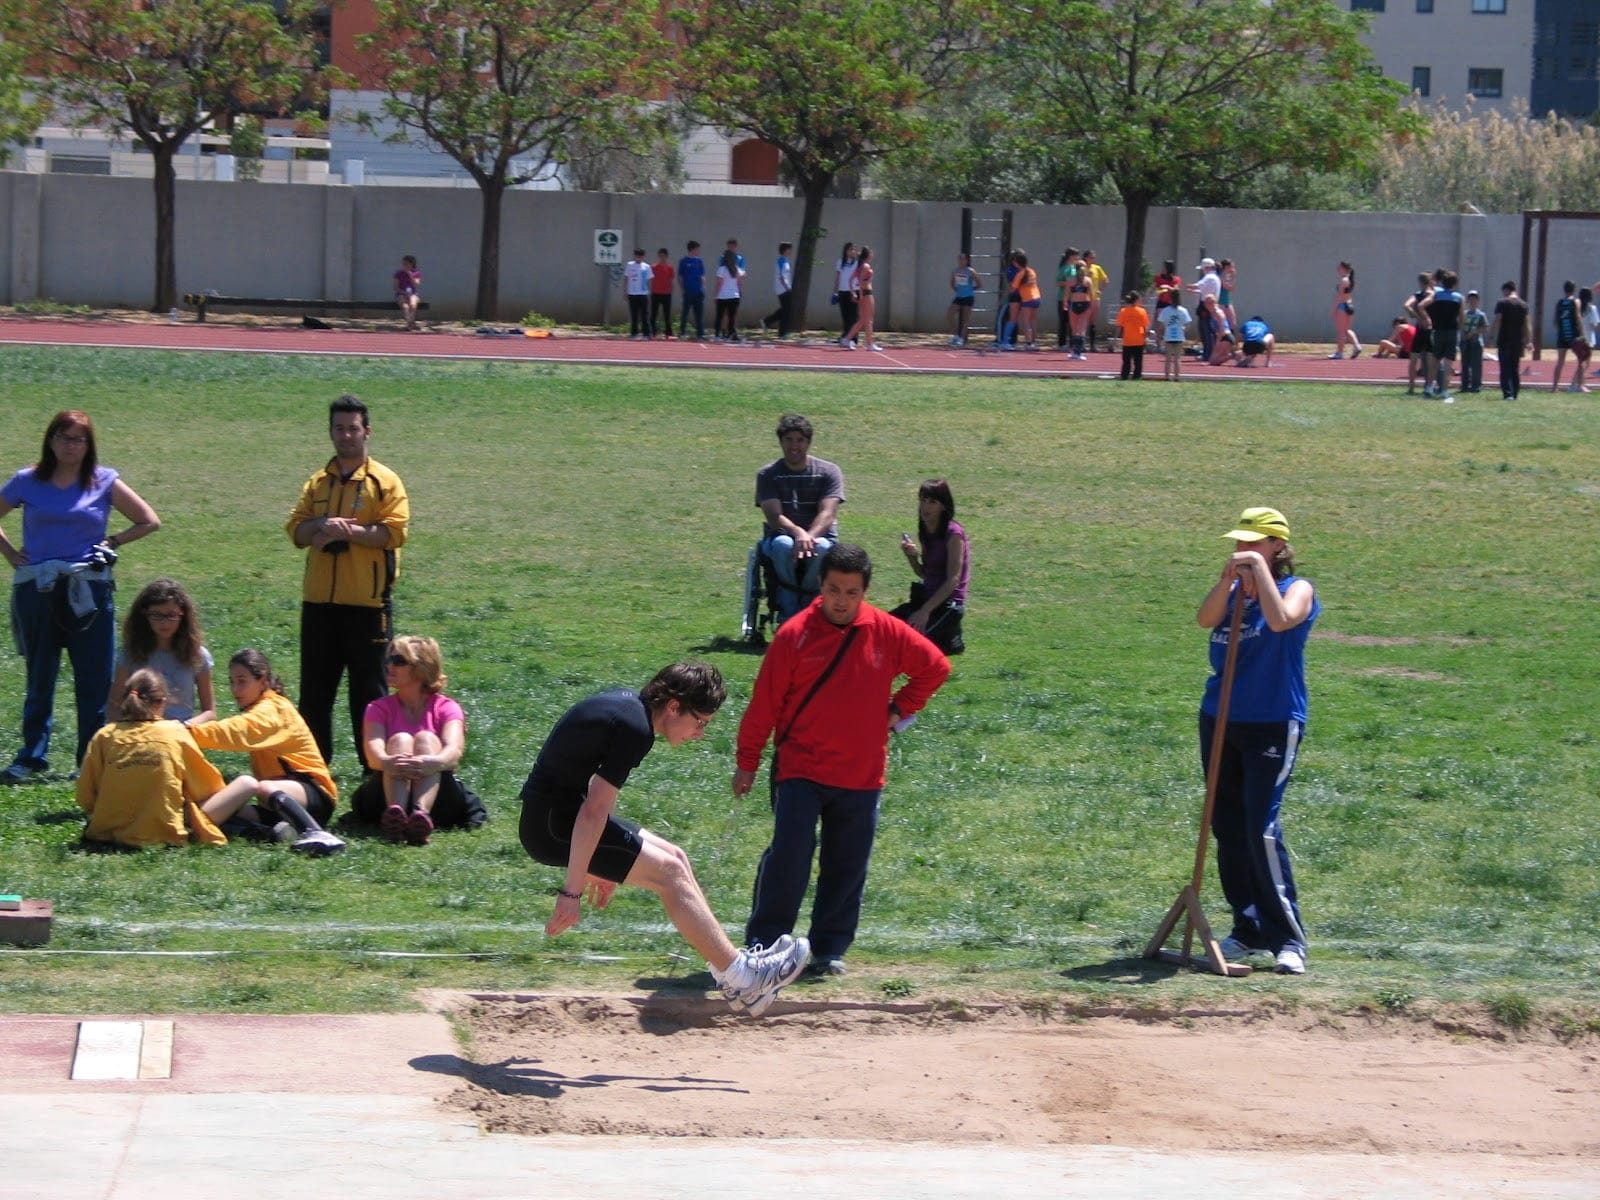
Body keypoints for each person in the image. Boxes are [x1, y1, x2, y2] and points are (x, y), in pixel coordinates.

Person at [520, 662, 811, 1017]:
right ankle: (744, 978)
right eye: (700, 721)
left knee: (676, 857)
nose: (700, 733)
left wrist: (601, 863)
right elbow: (593, 812)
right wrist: (572, 890)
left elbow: (584, 798)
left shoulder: (630, 709)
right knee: (669, 873)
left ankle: (733, 975)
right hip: (551, 827)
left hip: (557, 816)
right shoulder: (635, 728)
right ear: (674, 706)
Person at [738, 543, 950, 978]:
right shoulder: (794, 635)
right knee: (790, 857)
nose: (841, 600)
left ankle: (829, 950)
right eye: (834, 589)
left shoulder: (888, 631)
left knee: (847, 864)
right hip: (800, 767)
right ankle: (764, 945)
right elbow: (764, 705)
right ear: (820, 586)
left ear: (865, 591)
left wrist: (898, 709)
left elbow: (935, 667)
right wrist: (748, 761)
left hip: (861, 773)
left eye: (851, 592)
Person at [1, 410, 160, 783]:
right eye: (64, 437)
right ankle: (31, 757)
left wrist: (113, 541)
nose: (71, 446)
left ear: (89, 445)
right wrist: (10, 554)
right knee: (40, 674)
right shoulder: (28, 480)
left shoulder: (103, 480)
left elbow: (149, 519)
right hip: (37, 587)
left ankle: (91, 757)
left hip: (87, 589)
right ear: (51, 440)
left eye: (79, 439)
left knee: (95, 678)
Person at [1195, 506, 1319, 976]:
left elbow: (1283, 619)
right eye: (1240, 542)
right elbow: (1205, 620)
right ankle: (1246, 930)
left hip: (1272, 721)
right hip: (1221, 717)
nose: (1244, 550)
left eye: (1255, 543)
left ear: (1277, 547)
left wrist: (1262, 577)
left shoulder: (1297, 588)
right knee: (1226, 825)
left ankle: (1288, 938)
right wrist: (1227, 582)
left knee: (1259, 828)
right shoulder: (1231, 591)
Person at [286, 394, 410, 771]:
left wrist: (348, 532)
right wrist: (319, 527)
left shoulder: (385, 481)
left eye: (352, 428)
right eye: (339, 428)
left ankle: (375, 775)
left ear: (367, 431)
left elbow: (395, 532)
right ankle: (314, 775)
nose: (345, 435)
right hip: (319, 606)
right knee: (314, 697)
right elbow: (296, 529)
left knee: (369, 697)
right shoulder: (317, 483)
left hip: (367, 608)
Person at [188, 648, 346, 855]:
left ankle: (315, 832)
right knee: (224, 810)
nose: (235, 689)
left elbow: (237, 731)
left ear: (263, 681)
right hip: (277, 803)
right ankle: (273, 833)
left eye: (242, 681)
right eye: (232, 682)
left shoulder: (273, 709)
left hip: (315, 793)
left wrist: (187, 732)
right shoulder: (261, 707)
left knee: (263, 787)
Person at [76, 669, 236, 849]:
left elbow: (85, 796)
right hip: (164, 833)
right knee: (245, 783)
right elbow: (208, 787)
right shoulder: (175, 732)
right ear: (162, 702)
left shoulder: (104, 736)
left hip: (106, 833)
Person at [352, 635, 485, 845]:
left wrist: (432, 763)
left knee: (425, 739)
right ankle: (395, 815)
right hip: (384, 792)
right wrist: (388, 762)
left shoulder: (447, 708)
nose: (389, 666)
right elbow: (373, 754)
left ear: (421, 667)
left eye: (398, 661)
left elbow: (454, 752)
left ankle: (419, 816)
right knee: (401, 740)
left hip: (438, 793)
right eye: (388, 660)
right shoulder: (377, 708)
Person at [756, 413, 845, 621]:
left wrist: (809, 537)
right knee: (784, 545)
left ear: (808, 442)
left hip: (820, 537)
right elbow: (773, 515)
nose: (794, 446)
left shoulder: (829, 471)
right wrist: (798, 533)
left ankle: (806, 603)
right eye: (788, 440)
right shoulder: (768, 474)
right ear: (780, 442)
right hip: (781, 536)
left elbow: (828, 512)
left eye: (800, 440)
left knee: (822, 547)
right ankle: (789, 610)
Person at [109, 577, 215, 725]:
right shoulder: (130, 655)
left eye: (171, 616)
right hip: (141, 734)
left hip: (181, 736)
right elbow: (113, 708)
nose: (164, 623)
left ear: (182, 615)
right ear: (145, 615)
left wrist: (184, 727)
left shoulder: (198, 655)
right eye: (157, 616)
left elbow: (209, 712)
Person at [891, 480, 968, 655]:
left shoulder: (954, 534)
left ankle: (950, 635)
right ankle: (949, 638)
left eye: (932, 502)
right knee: (885, 627)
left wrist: (924, 612)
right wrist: (911, 557)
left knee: (911, 646)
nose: (926, 506)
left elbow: (953, 580)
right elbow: (924, 573)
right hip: (926, 597)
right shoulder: (926, 530)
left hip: (948, 603)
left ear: (943, 506)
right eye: (923, 500)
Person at [1419, 267, 1462, 402]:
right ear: (1455, 283)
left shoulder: (1436, 294)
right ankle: (1444, 391)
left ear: (1442, 282)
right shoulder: (1459, 297)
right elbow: (1462, 317)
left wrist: (1427, 318)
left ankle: (1429, 389)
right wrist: (1459, 330)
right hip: (1452, 331)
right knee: (1448, 363)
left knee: (1434, 361)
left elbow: (1421, 306)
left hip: (1438, 331)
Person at [1487, 280, 1528, 400]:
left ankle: (1507, 393)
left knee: (1505, 367)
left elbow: (1498, 319)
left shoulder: (1503, 302)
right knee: (1515, 368)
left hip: (1504, 339)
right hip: (1517, 341)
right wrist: (1528, 340)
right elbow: (1526, 324)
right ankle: (1515, 393)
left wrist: (1491, 337)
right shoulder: (1523, 304)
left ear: (1506, 290)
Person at [842, 245, 881, 352]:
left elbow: (851, 280)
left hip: (863, 293)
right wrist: (860, 294)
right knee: (869, 320)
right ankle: (870, 344)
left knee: (863, 320)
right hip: (866, 294)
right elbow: (860, 281)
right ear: (868, 255)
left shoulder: (860, 266)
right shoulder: (865, 266)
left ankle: (847, 339)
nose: (873, 255)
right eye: (871, 253)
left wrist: (854, 293)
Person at [1404, 272, 1434, 394]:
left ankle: (1411, 387)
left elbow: (1406, 305)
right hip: (1430, 328)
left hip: (1420, 329)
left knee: (1414, 359)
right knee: (1430, 360)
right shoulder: (1432, 295)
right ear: (1430, 282)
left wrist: (1416, 316)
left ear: (1420, 283)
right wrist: (1423, 318)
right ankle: (1428, 386)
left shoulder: (1417, 295)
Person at [1549, 279, 1581, 393]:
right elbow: (1578, 318)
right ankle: (1577, 386)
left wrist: (1561, 330)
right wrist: (1581, 334)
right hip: (1573, 335)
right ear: (1574, 289)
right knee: (1582, 359)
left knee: (1560, 361)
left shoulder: (1559, 302)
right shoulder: (1575, 302)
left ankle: (1554, 387)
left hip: (1562, 335)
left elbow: (1555, 321)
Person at [1189, 258, 1221, 362]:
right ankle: (1208, 352)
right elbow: (1202, 290)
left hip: (1206, 305)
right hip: (1210, 304)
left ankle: (1208, 353)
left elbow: (1197, 286)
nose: (1202, 270)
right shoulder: (1215, 277)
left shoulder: (1209, 277)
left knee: (1206, 330)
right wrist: (1195, 291)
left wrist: (1187, 286)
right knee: (1207, 330)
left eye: (1203, 268)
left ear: (1206, 267)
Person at [946, 253, 980, 347]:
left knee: (966, 319)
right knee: (949, 314)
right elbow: (952, 283)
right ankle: (955, 336)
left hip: (968, 297)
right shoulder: (955, 271)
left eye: (963, 259)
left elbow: (979, 284)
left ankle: (961, 339)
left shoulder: (971, 271)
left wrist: (971, 289)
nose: (961, 261)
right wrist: (957, 290)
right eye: (959, 259)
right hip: (959, 296)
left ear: (967, 261)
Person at [1115, 290, 1150, 380]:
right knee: (1138, 360)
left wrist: (1116, 338)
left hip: (1127, 340)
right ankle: (1137, 376)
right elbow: (1145, 326)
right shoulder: (1142, 311)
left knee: (1126, 360)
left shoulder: (1123, 311)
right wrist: (1146, 338)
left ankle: (1124, 375)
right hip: (1139, 339)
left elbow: (1119, 326)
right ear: (1137, 300)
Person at [1569, 286, 1598, 394]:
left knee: (1581, 362)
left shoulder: (1577, 308)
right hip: (1589, 338)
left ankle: (1579, 384)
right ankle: (1575, 384)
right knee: (1585, 364)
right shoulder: (1592, 308)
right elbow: (1594, 325)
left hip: (1579, 338)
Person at [1157, 290, 1191, 382]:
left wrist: (1162, 332)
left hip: (1168, 336)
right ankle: (1177, 377)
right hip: (1179, 336)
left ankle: (1167, 377)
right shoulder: (1183, 310)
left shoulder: (1166, 310)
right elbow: (1188, 324)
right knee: (1177, 358)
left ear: (1170, 299)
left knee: (1168, 358)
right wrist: (1183, 329)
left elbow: (1161, 324)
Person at [762, 241, 794, 338]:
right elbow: (781, 277)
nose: (790, 251)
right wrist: (787, 288)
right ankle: (782, 333)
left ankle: (767, 321)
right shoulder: (781, 261)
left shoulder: (785, 261)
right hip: (782, 289)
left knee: (785, 309)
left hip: (785, 288)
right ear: (784, 250)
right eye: (789, 249)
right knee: (787, 310)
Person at [1330, 261, 1361, 359]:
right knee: (1346, 330)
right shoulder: (1350, 280)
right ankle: (1356, 346)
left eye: (1339, 268)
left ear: (1344, 268)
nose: (1337, 269)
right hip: (1350, 305)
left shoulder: (1344, 280)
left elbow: (1340, 296)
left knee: (1341, 331)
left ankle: (1339, 353)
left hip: (1343, 306)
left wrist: (1333, 309)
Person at [1459, 290, 1487, 394]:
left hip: (1476, 342)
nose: (1472, 301)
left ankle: (1476, 386)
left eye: (1475, 298)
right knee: (1465, 364)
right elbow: (1460, 326)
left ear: (1478, 300)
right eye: (1470, 298)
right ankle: (1464, 385)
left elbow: (1485, 328)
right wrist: (1463, 335)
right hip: (1465, 342)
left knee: (1476, 365)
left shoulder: (1481, 314)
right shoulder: (1464, 314)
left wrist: (1474, 332)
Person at [714, 247, 744, 342]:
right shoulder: (737, 269)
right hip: (734, 296)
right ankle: (730, 334)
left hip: (723, 296)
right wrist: (740, 292)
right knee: (732, 317)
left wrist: (715, 295)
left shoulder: (722, 269)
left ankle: (717, 335)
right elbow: (739, 283)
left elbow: (719, 283)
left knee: (720, 316)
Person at [677, 241, 706, 340]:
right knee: (685, 313)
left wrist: (702, 287)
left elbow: (702, 275)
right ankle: (682, 333)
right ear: (693, 249)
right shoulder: (683, 261)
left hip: (698, 292)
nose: (699, 251)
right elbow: (680, 277)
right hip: (688, 292)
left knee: (699, 314)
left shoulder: (699, 261)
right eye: (698, 249)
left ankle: (700, 334)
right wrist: (682, 289)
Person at [1081, 249, 1109, 351]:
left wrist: (1100, 290)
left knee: (1092, 321)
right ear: (1086, 258)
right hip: (1084, 298)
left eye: (1094, 257)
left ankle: (1092, 345)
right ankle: (1081, 344)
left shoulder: (1097, 268)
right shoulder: (1081, 268)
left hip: (1095, 298)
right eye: (1091, 257)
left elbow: (1106, 280)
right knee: (1083, 321)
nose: (1093, 259)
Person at [834, 242, 860, 346]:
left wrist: (858, 255)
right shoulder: (840, 262)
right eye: (849, 249)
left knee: (853, 316)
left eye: (853, 249)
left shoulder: (858, 263)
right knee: (845, 316)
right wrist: (835, 292)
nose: (851, 251)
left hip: (853, 291)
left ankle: (853, 338)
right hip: (842, 291)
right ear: (845, 251)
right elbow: (837, 277)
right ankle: (846, 336)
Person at [624, 247, 652, 340]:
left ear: (643, 256)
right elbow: (626, 278)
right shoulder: (630, 265)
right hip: (632, 293)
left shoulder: (646, 266)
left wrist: (648, 291)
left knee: (644, 315)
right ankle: (634, 333)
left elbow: (649, 280)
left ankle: (646, 334)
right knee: (634, 314)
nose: (638, 257)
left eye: (640, 256)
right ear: (634, 256)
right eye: (637, 255)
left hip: (643, 293)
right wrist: (626, 291)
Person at [649, 248, 675, 339]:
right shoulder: (653, 267)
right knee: (653, 314)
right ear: (658, 256)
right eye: (660, 256)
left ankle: (668, 333)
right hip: (655, 293)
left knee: (667, 314)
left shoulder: (670, 268)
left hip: (666, 294)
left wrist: (671, 290)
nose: (662, 257)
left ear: (667, 257)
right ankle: (652, 332)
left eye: (664, 256)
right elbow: (650, 280)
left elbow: (671, 280)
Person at [393, 255, 421, 332]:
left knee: (413, 305)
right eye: (403, 264)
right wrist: (404, 293)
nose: (404, 265)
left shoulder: (416, 273)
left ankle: (410, 324)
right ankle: (410, 324)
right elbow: (395, 288)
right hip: (401, 293)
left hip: (413, 294)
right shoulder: (398, 273)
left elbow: (416, 285)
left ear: (411, 264)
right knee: (405, 306)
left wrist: (410, 275)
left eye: (406, 264)